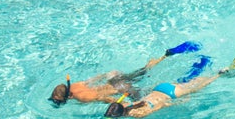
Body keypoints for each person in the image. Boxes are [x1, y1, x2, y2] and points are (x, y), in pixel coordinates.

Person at [104, 51, 235, 119]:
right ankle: (202, 64)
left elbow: (159, 106)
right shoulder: (127, 105)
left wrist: (178, 102)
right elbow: (121, 100)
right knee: (191, 81)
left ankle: (222, 72)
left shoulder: (136, 114)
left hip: (171, 94)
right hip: (160, 87)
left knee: (202, 84)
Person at [49, 41, 202, 106]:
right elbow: (94, 79)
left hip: (122, 89)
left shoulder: (82, 97)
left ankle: (182, 88)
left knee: (149, 95)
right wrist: (106, 75)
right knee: (144, 70)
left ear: (67, 97)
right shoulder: (75, 85)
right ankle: (166, 55)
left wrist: (122, 105)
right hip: (115, 80)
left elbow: (104, 97)